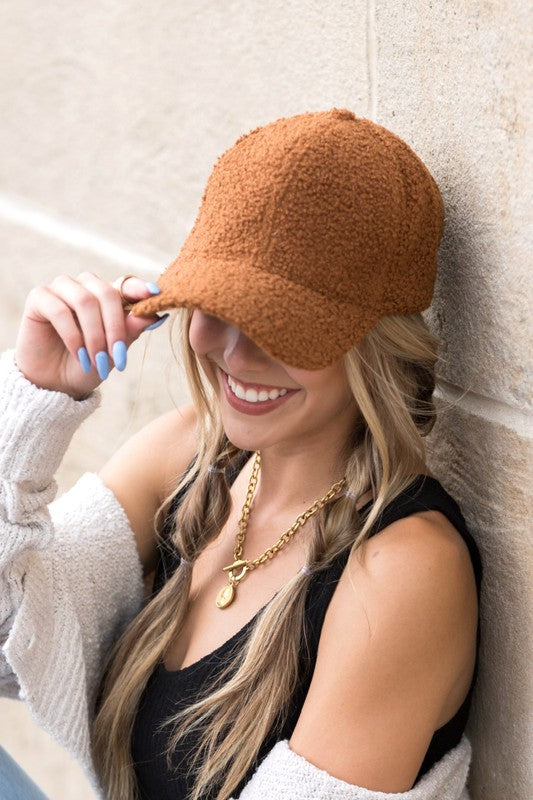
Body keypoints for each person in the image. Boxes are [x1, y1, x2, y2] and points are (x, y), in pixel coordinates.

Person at [0, 109, 482, 800]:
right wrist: (33, 402)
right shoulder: (188, 457)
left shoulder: (402, 568)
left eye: (280, 324)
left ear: (374, 344)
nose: (234, 352)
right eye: (217, 308)